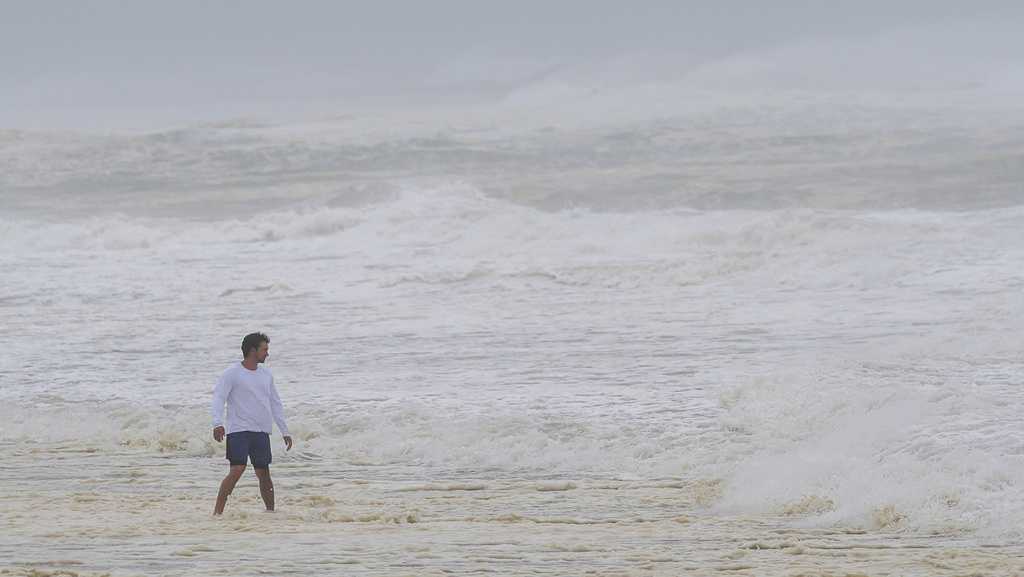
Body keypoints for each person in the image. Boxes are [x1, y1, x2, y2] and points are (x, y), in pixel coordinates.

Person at [210, 332, 293, 515]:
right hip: (238, 430)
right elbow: (218, 398)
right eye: (264, 349)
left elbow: (275, 403)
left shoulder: (266, 374)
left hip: (261, 430)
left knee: (264, 473)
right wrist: (217, 423)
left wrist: (284, 430)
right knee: (237, 469)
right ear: (253, 350)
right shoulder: (232, 373)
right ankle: (217, 513)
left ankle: (270, 512)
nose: (267, 354)